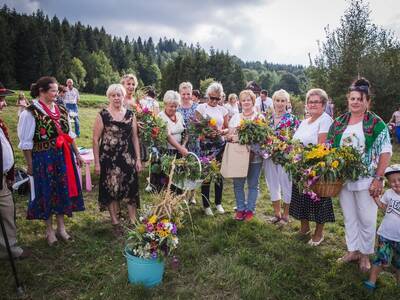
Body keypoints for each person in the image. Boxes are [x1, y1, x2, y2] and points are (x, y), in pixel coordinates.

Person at [327, 78, 392, 272]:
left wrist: (378, 178)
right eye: (352, 98)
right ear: (348, 100)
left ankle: (365, 254)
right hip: (344, 180)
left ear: (367, 102)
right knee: (349, 216)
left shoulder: (375, 123)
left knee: (367, 217)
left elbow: (385, 151)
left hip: (367, 179)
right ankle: (352, 250)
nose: (355, 102)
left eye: (359, 99)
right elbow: (328, 148)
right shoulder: (339, 123)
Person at [18, 76, 85, 246]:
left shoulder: (61, 110)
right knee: (47, 191)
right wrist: (30, 164)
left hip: (62, 156)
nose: (57, 93)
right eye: (53, 91)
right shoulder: (30, 112)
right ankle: (49, 231)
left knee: (61, 190)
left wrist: (77, 154)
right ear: (42, 91)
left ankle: (61, 228)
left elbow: (69, 135)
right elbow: (26, 143)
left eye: (57, 90)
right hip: (43, 157)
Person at [93, 84, 142, 236]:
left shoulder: (130, 115)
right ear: (109, 97)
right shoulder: (103, 115)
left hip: (127, 157)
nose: (116, 98)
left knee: (131, 187)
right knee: (112, 188)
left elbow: (134, 138)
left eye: (118, 95)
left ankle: (133, 221)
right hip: (108, 158)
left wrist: (138, 159)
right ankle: (115, 222)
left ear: (123, 96)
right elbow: (95, 140)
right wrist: (96, 162)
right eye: (113, 95)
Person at [290, 88, 334, 246]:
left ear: (323, 104)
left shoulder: (325, 120)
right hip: (299, 166)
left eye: (317, 102)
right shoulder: (304, 122)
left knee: (318, 200)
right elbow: (295, 142)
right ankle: (304, 228)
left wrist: (305, 158)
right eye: (310, 101)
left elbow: (322, 146)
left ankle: (319, 233)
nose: (313, 104)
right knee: (301, 198)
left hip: (316, 167)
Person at [0, 83, 30, 259]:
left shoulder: (1, 122)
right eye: (1, 100)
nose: (4, 104)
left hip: (3, 179)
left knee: (7, 212)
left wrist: (10, 176)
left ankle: (9, 248)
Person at [264, 89, 299, 225]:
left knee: (286, 184)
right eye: (277, 100)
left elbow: (296, 139)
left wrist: (285, 145)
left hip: (285, 157)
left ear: (287, 102)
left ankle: (286, 215)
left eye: (282, 101)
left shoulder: (292, 119)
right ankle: (277, 214)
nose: (279, 103)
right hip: (269, 156)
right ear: (273, 101)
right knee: (272, 184)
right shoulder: (267, 118)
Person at [228, 90, 264, 221]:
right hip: (239, 157)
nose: (246, 102)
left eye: (249, 100)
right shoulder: (236, 117)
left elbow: (263, 138)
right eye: (244, 100)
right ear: (240, 102)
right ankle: (240, 209)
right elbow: (230, 136)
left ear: (253, 101)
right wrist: (237, 137)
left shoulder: (259, 118)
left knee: (253, 184)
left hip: (255, 157)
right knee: (238, 184)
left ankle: (250, 210)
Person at [364, 165, 400, 290]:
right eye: (393, 181)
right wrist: (376, 198)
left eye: (399, 179)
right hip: (386, 235)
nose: (396, 183)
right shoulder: (389, 194)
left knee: (399, 264)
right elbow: (384, 208)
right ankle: (371, 281)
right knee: (380, 259)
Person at [195, 82, 229, 216]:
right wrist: (205, 133)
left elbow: (227, 128)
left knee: (219, 175)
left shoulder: (223, 110)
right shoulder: (201, 108)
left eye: (217, 98)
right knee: (207, 175)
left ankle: (219, 203)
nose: (214, 101)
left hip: (220, 145)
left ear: (220, 98)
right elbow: (196, 128)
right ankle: (206, 204)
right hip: (205, 145)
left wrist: (221, 132)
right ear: (207, 96)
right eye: (212, 98)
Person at [177, 82, 199, 204]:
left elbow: (200, 124)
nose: (185, 96)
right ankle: (183, 194)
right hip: (180, 143)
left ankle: (193, 195)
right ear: (180, 93)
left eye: (188, 94)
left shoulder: (197, 107)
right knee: (183, 168)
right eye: (183, 94)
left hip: (194, 141)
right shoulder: (177, 107)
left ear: (192, 94)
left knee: (194, 167)